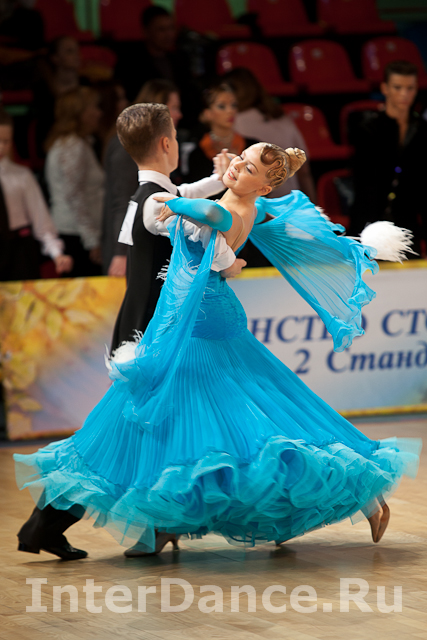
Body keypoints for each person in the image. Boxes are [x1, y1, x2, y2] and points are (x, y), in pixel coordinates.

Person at [14, 111, 420, 558]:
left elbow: (206, 214)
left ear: (262, 186)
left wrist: (202, 230)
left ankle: (154, 524)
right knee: (207, 417)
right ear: (166, 145)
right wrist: (217, 228)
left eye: (248, 167)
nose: (237, 166)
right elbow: (196, 203)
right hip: (191, 319)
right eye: (241, 159)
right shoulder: (182, 196)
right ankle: (160, 523)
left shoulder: (198, 203)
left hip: (198, 323)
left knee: (205, 420)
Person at [110, 103, 236, 352]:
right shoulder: (156, 203)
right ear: (166, 144)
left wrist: (220, 180)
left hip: (147, 321)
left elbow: (184, 193)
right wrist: (229, 263)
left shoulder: (149, 195)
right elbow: (202, 232)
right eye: (176, 138)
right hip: (150, 332)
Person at [101, 80, 184, 278]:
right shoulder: (128, 148)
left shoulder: (149, 146)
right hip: (129, 250)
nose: (179, 114)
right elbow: (123, 202)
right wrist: (121, 253)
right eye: (174, 108)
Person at [350, 60, 427, 257]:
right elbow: (364, 182)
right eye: (398, 87)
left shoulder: (421, 130)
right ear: (385, 88)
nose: (404, 94)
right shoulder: (368, 129)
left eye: (410, 88)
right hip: (369, 224)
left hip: (408, 224)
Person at [0, 108, 73, 281]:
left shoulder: (22, 176)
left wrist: (57, 253)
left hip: (19, 252)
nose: (1, 147)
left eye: (6, 141)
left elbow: (41, 222)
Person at [223, 67, 316, 202]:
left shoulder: (233, 122)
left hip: (256, 206)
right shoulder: (283, 119)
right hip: (290, 202)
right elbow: (304, 172)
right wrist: (312, 207)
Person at [45, 87, 104, 277]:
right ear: (81, 113)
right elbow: (74, 196)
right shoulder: (72, 146)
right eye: (94, 107)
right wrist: (91, 240)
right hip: (76, 237)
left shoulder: (79, 143)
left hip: (79, 234)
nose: (99, 113)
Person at [186, 82, 257, 184]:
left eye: (234, 105)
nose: (230, 111)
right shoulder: (197, 155)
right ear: (207, 113)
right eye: (221, 106)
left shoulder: (252, 148)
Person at [32, 36, 82, 158]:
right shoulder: (43, 92)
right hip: (54, 147)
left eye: (77, 51)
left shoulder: (87, 85)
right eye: (69, 51)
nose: (77, 55)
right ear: (55, 58)